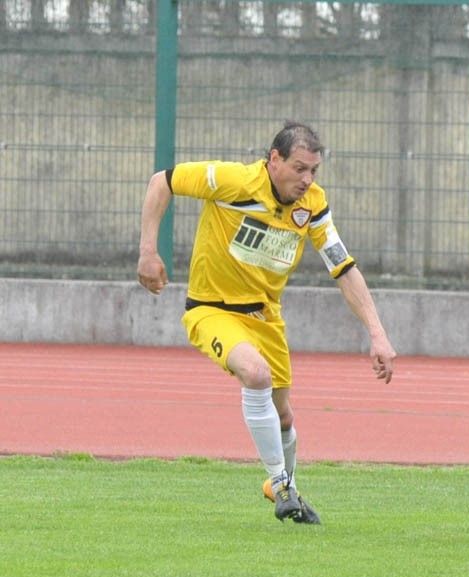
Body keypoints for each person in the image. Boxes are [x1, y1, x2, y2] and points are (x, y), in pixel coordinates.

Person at [137, 120, 396, 524]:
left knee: (284, 417)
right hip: (212, 309)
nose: (307, 179)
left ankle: (284, 486)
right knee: (255, 374)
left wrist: (377, 334)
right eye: (299, 168)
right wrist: (148, 252)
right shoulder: (234, 182)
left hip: (266, 317)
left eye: (314, 170)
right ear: (274, 160)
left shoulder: (312, 205)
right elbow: (162, 182)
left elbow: (343, 267)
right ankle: (281, 485)